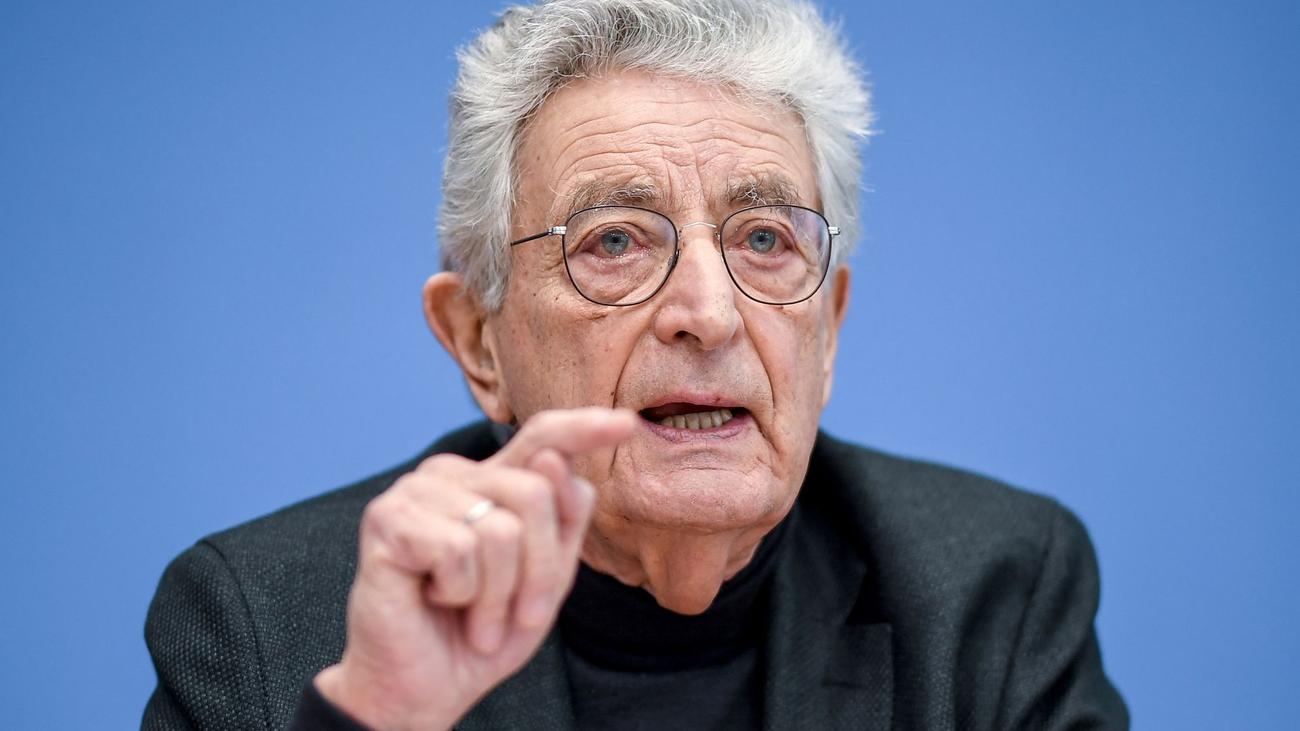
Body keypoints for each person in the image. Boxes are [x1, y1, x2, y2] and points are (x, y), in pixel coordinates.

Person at [142, 0, 1128, 728]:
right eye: (613, 240)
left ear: (826, 331)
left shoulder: (994, 593)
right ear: (479, 341)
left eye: (765, 239)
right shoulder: (264, 626)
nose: (708, 314)